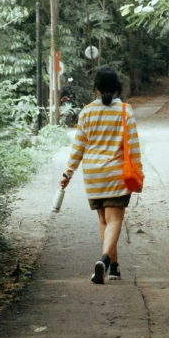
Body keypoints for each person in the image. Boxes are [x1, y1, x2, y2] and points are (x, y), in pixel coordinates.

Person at [60, 65, 142, 284]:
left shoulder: (86, 112)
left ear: (95, 88)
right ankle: (105, 260)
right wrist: (139, 174)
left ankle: (114, 268)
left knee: (104, 220)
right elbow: (133, 146)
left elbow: (78, 147)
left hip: (94, 174)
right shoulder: (125, 110)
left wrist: (68, 173)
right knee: (115, 220)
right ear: (116, 87)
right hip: (116, 173)